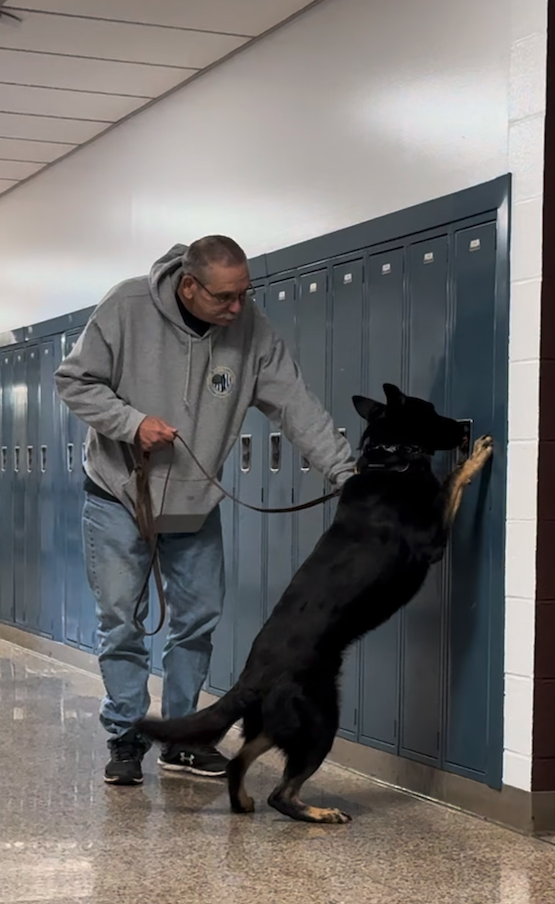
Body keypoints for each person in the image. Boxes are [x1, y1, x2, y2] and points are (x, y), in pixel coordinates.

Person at [55, 236, 356, 786]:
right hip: (122, 494)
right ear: (188, 286)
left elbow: (296, 405)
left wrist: (345, 474)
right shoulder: (126, 307)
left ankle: (184, 738)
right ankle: (126, 733)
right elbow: (74, 381)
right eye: (225, 298)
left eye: (245, 294)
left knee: (197, 623)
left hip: (195, 504)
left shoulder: (250, 328)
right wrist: (131, 424)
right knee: (122, 622)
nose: (237, 309)